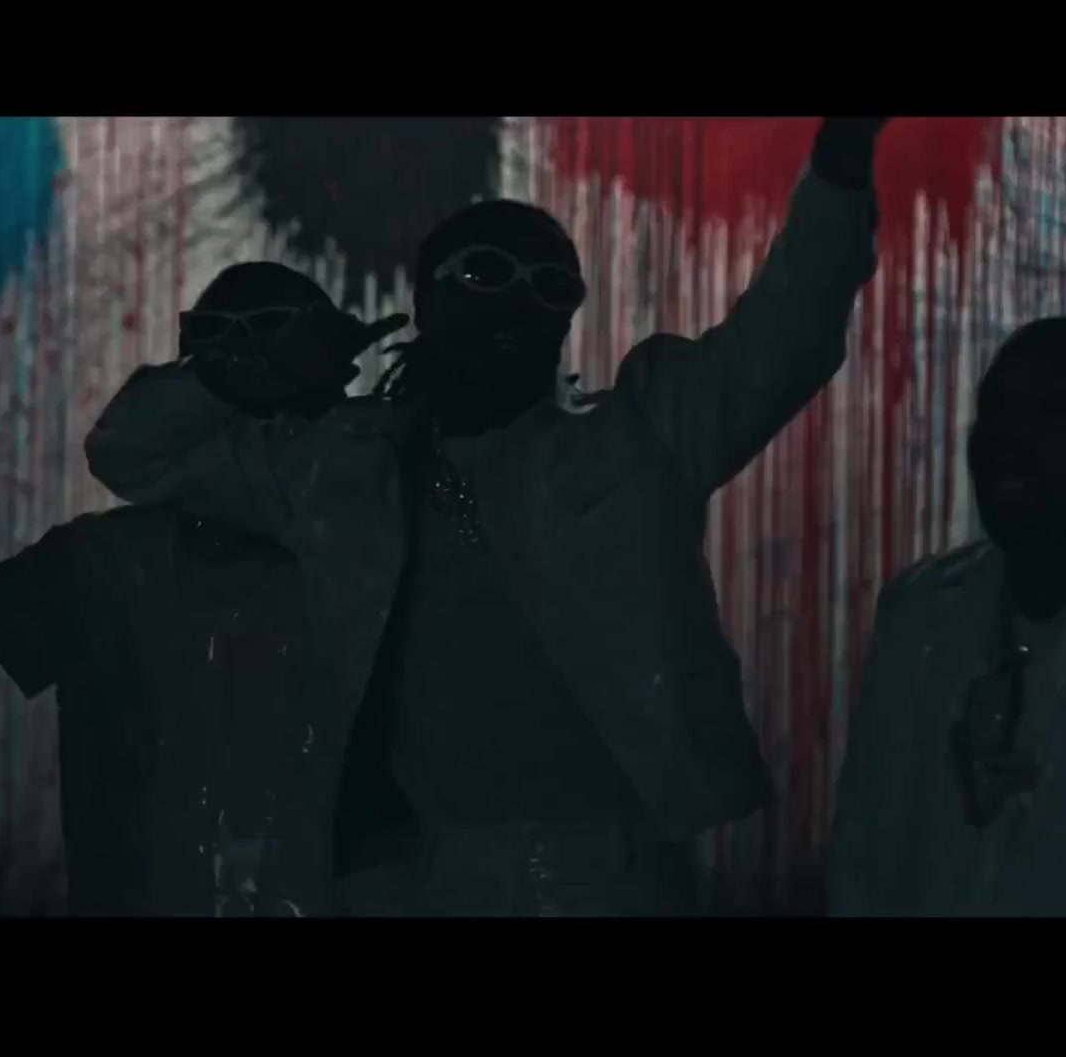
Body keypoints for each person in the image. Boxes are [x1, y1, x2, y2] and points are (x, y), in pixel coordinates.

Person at [84, 118, 886, 916]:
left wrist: (840, 164)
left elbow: (786, 334)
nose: (519, 299)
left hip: (610, 873)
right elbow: (133, 452)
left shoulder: (637, 439)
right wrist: (253, 367)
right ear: (426, 298)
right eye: (485, 272)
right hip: (416, 876)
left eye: (551, 284)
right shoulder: (341, 467)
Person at [0, 263, 379, 915]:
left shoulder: (377, 553)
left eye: (267, 348)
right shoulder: (104, 566)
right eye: (221, 352)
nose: (245, 371)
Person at [829, 317, 1066, 916]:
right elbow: (862, 854)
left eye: (1055, 413)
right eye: (995, 412)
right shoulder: (920, 614)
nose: (1008, 441)